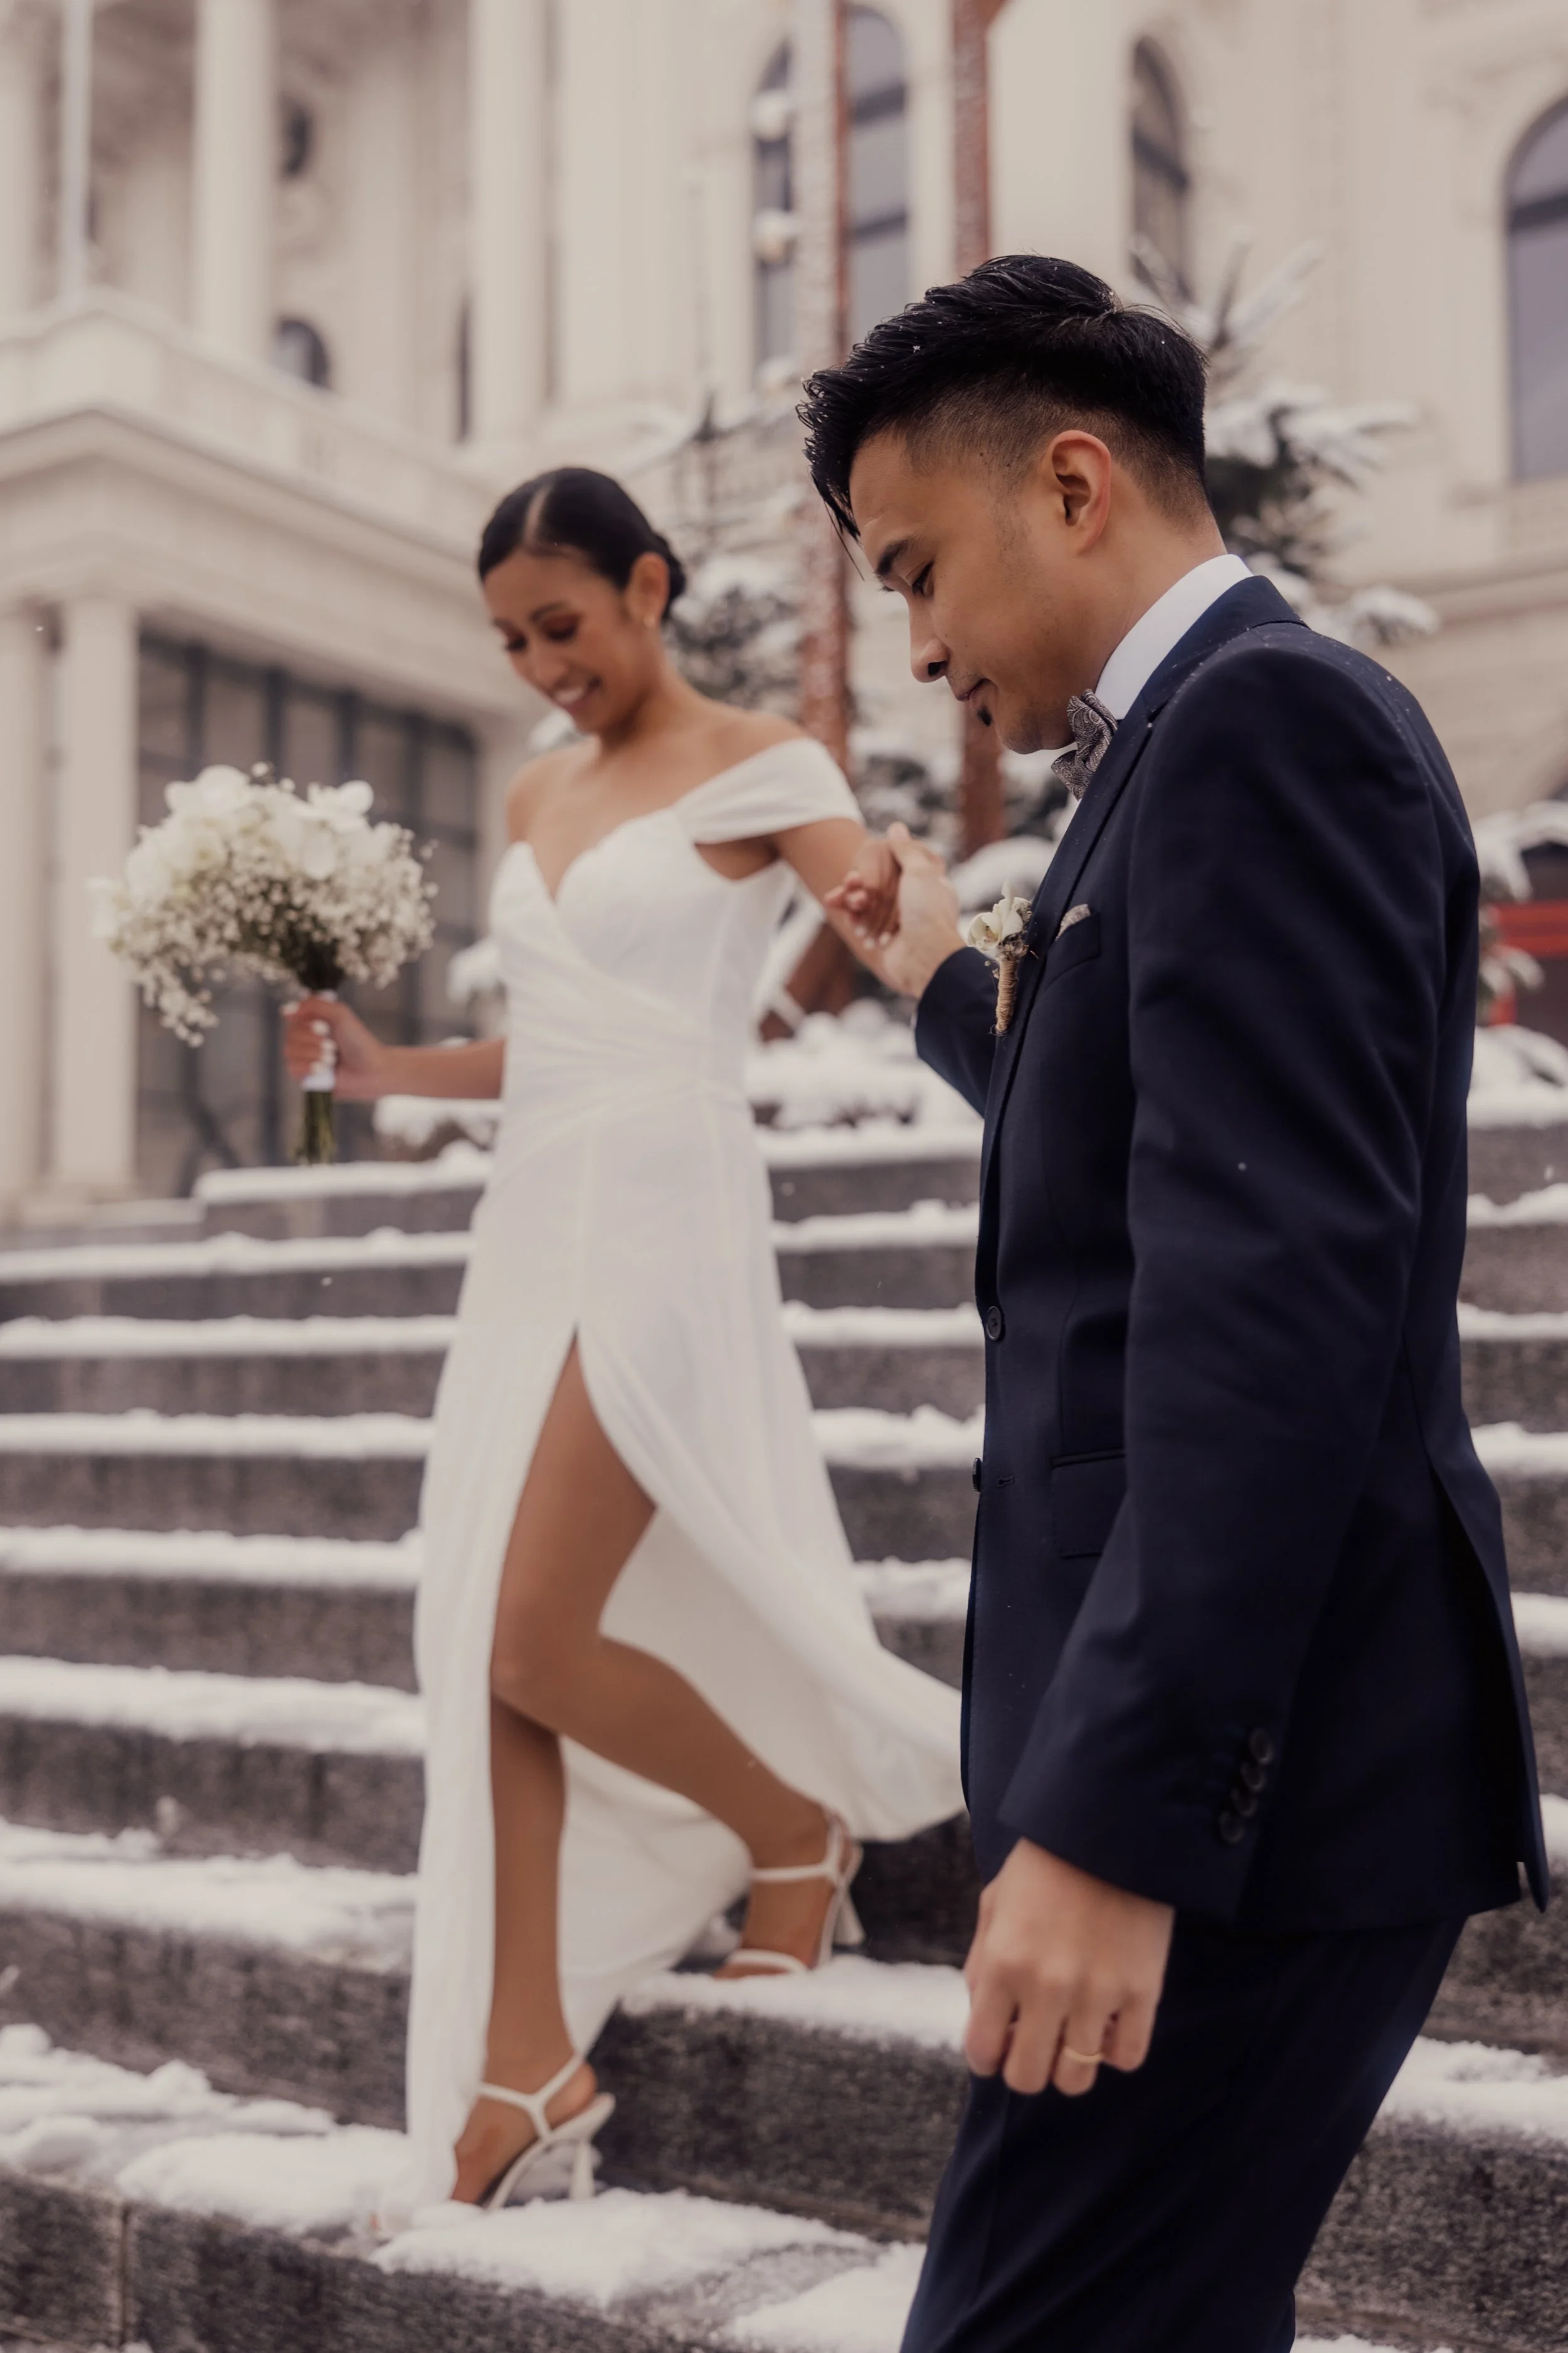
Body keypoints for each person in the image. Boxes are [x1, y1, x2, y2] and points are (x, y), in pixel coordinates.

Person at [805, 257, 1546, 2352]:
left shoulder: (1260, 723)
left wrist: (1120, 1825)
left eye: (916, 570)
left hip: (1249, 1794)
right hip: (1248, 1769)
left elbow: (1270, 1296)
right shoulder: (1190, 743)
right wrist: (944, 978)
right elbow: (1161, 1153)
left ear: (1070, 484)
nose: (918, 644)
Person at [283, 467, 961, 2214]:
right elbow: (552, 1037)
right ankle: (527, 2057)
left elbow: (881, 926)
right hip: (534, 1211)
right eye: (512, 641)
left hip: (666, 1203)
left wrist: (932, 917)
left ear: (649, 587)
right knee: (482, 1633)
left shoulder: (765, 761)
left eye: (564, 625)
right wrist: (383, 1071)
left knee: (529, 1628)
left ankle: (790, 1824)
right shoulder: (535, 789)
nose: (543, 666)